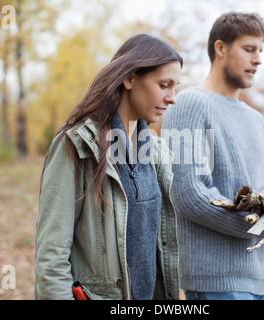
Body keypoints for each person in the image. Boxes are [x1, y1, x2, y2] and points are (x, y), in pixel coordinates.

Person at [162, 12, 264, 300]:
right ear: (220, 48)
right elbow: (188, 195)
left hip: (259, 280)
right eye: (249, 49)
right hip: (215, 280)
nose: (258, 59)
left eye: (260, 51)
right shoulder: (188, 104)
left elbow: (255, 202)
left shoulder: (256, 120)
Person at [35, 34, 183, 300]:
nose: (172, 97)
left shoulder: (155, 151)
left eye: (175, 87)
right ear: (129, 79)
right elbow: (51, 257)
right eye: (164, 85)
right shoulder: (77, 145)